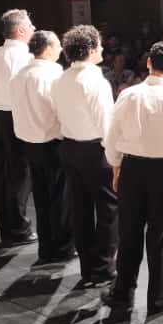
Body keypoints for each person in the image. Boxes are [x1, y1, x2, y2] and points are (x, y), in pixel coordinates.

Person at [102, 41, 163, 313]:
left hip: (131, 169)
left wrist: (116, 168)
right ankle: (159, 298)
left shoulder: (128, 95)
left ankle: (122, 294)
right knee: (160, 238)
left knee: (129, 233)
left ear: (148, 63)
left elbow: (112, 136)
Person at [51, 25, 117, 287]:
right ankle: (102, 269)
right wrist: (116, 158)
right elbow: (106, 124)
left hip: (70, 148)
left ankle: (88, 269)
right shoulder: (95, 81)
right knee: (109, 209)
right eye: (99, 44)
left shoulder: (61, 79)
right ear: (89, 49)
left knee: (80, 210)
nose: (102, 48)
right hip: (94, 151)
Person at [9, 30, 73, 264]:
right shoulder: (53, 73)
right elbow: (61, 108)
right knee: (60, 198)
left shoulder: (19, 75)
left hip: (29, 143)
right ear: (47, 48)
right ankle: (63, 247)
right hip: (52, 142)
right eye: (57, 45)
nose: (60, 49)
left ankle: (46, 248)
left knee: (41, 197)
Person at [0, 9, 36, 247]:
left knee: (0, 174)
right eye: (30, 25)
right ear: (20, 30)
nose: (33, 28)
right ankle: (19, 230)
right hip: (15, 118)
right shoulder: (25, 58)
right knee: (20, 174)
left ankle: (6, 228)